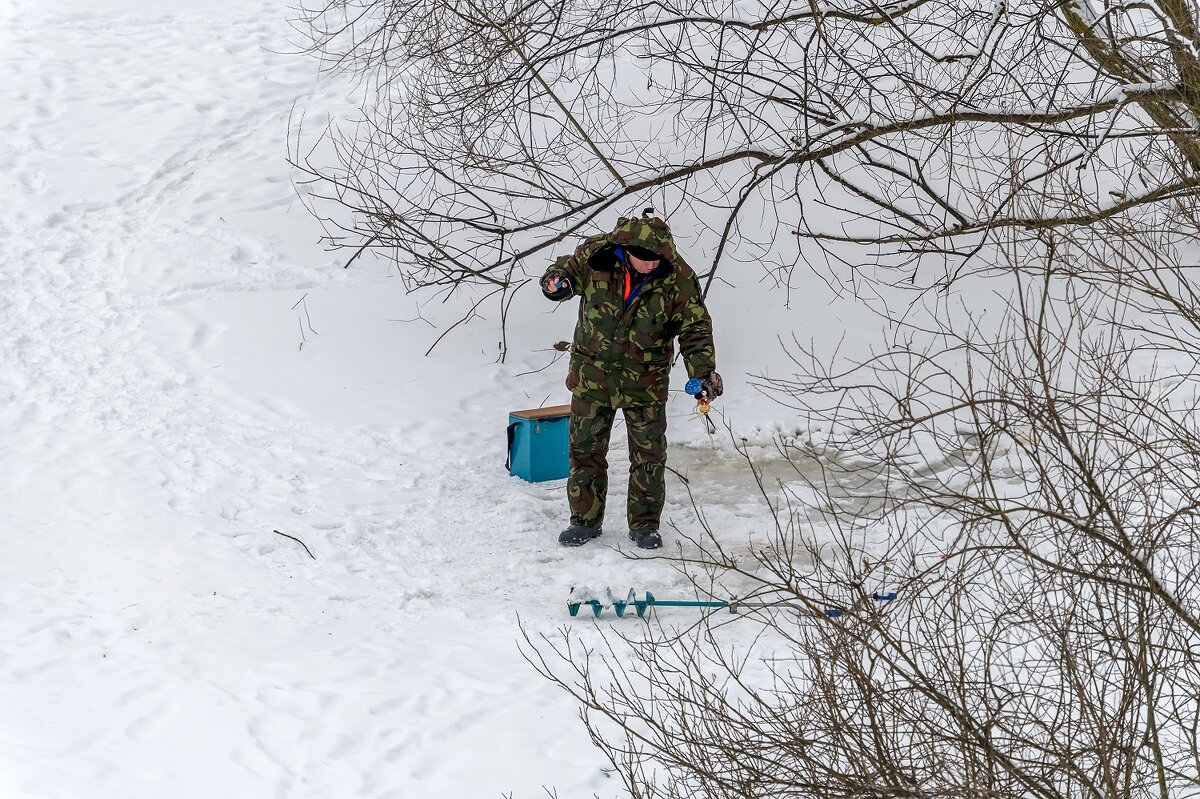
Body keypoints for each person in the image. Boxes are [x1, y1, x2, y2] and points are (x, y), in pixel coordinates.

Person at [540, 210, 722, 549]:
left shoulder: (678, 277)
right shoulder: (595, 257)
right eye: (644, 258)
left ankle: (644, 526)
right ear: (624, 249)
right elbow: (564, 275)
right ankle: (584, 521)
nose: (651, 264)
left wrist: (702, 372)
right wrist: (556, 283)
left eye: (657, 259)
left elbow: (695, 329)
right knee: (584, 451)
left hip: (646, 383)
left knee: (649, 456)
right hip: (592, 378)